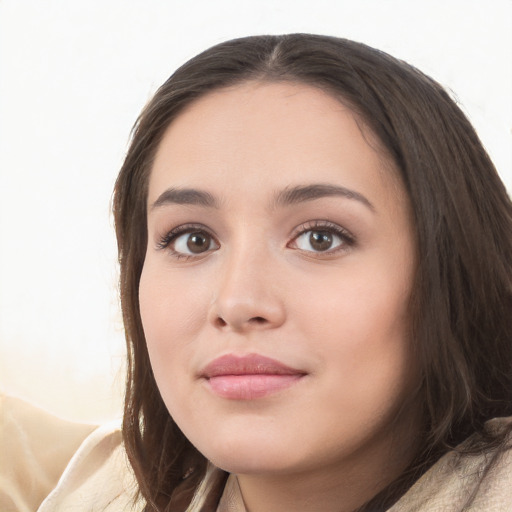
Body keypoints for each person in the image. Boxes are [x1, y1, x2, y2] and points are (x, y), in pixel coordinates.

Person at [1, 33, 511, 512]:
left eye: (321, 238)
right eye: (192, 239)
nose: (237, 302)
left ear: (453, 272)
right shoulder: (110, 487)